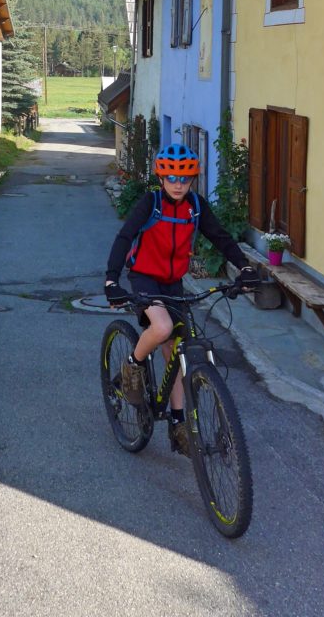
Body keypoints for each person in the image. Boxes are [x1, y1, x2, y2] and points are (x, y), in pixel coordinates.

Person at [104, 144, 257, 454]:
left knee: (177, 351)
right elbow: (124, 237)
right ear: (161, 178)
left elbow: (221, 238)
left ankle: (177, 422)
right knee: (160, 328)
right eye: (171, 177)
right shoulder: (151, 203)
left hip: (174, 282)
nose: (177, 184)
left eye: (184, 179)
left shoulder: (196, 207)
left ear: (192, 181)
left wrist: (244, 267)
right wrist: (111, 278)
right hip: (145, 277)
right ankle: (132, 366)